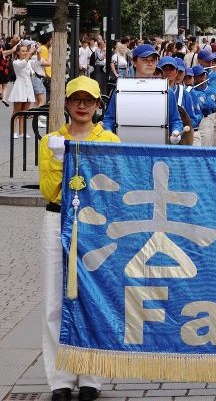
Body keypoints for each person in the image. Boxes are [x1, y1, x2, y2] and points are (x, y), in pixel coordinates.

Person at [39, 76, 119, 401]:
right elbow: (49, 190)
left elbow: (113, 184)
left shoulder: (111, 140)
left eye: (89, 100)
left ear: (98, 105)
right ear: (67, 104)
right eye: (76, 100)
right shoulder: (51, 141)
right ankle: (59, 378)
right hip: (57, 219)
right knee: (54, 300)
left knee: (93, 298)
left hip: (94, 223)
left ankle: (91, 378)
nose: (82, 106)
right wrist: (61, 159)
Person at [102, 44, 183, 143]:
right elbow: (109, 118)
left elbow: (175, 120)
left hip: (156, 151)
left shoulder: (167, 90)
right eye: (145, 60)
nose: (150, 63)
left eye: (153, 60)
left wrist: (176, 131)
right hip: (125, 151)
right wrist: (108, 132)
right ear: (134, 62)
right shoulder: (121, 88)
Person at [9, 42, 35, 138]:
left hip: (28, 87)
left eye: (26, 51)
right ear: (18, 53)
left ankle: (22, 132)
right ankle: (13, 132)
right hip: (19, 87)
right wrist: (29, 54)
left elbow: (39, 63)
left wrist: (38, 53)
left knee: (24, 112)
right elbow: (23, 64)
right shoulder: (16, 62)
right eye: (23, 51)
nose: (25, 53)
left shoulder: (29, 62)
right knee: (16, 111)